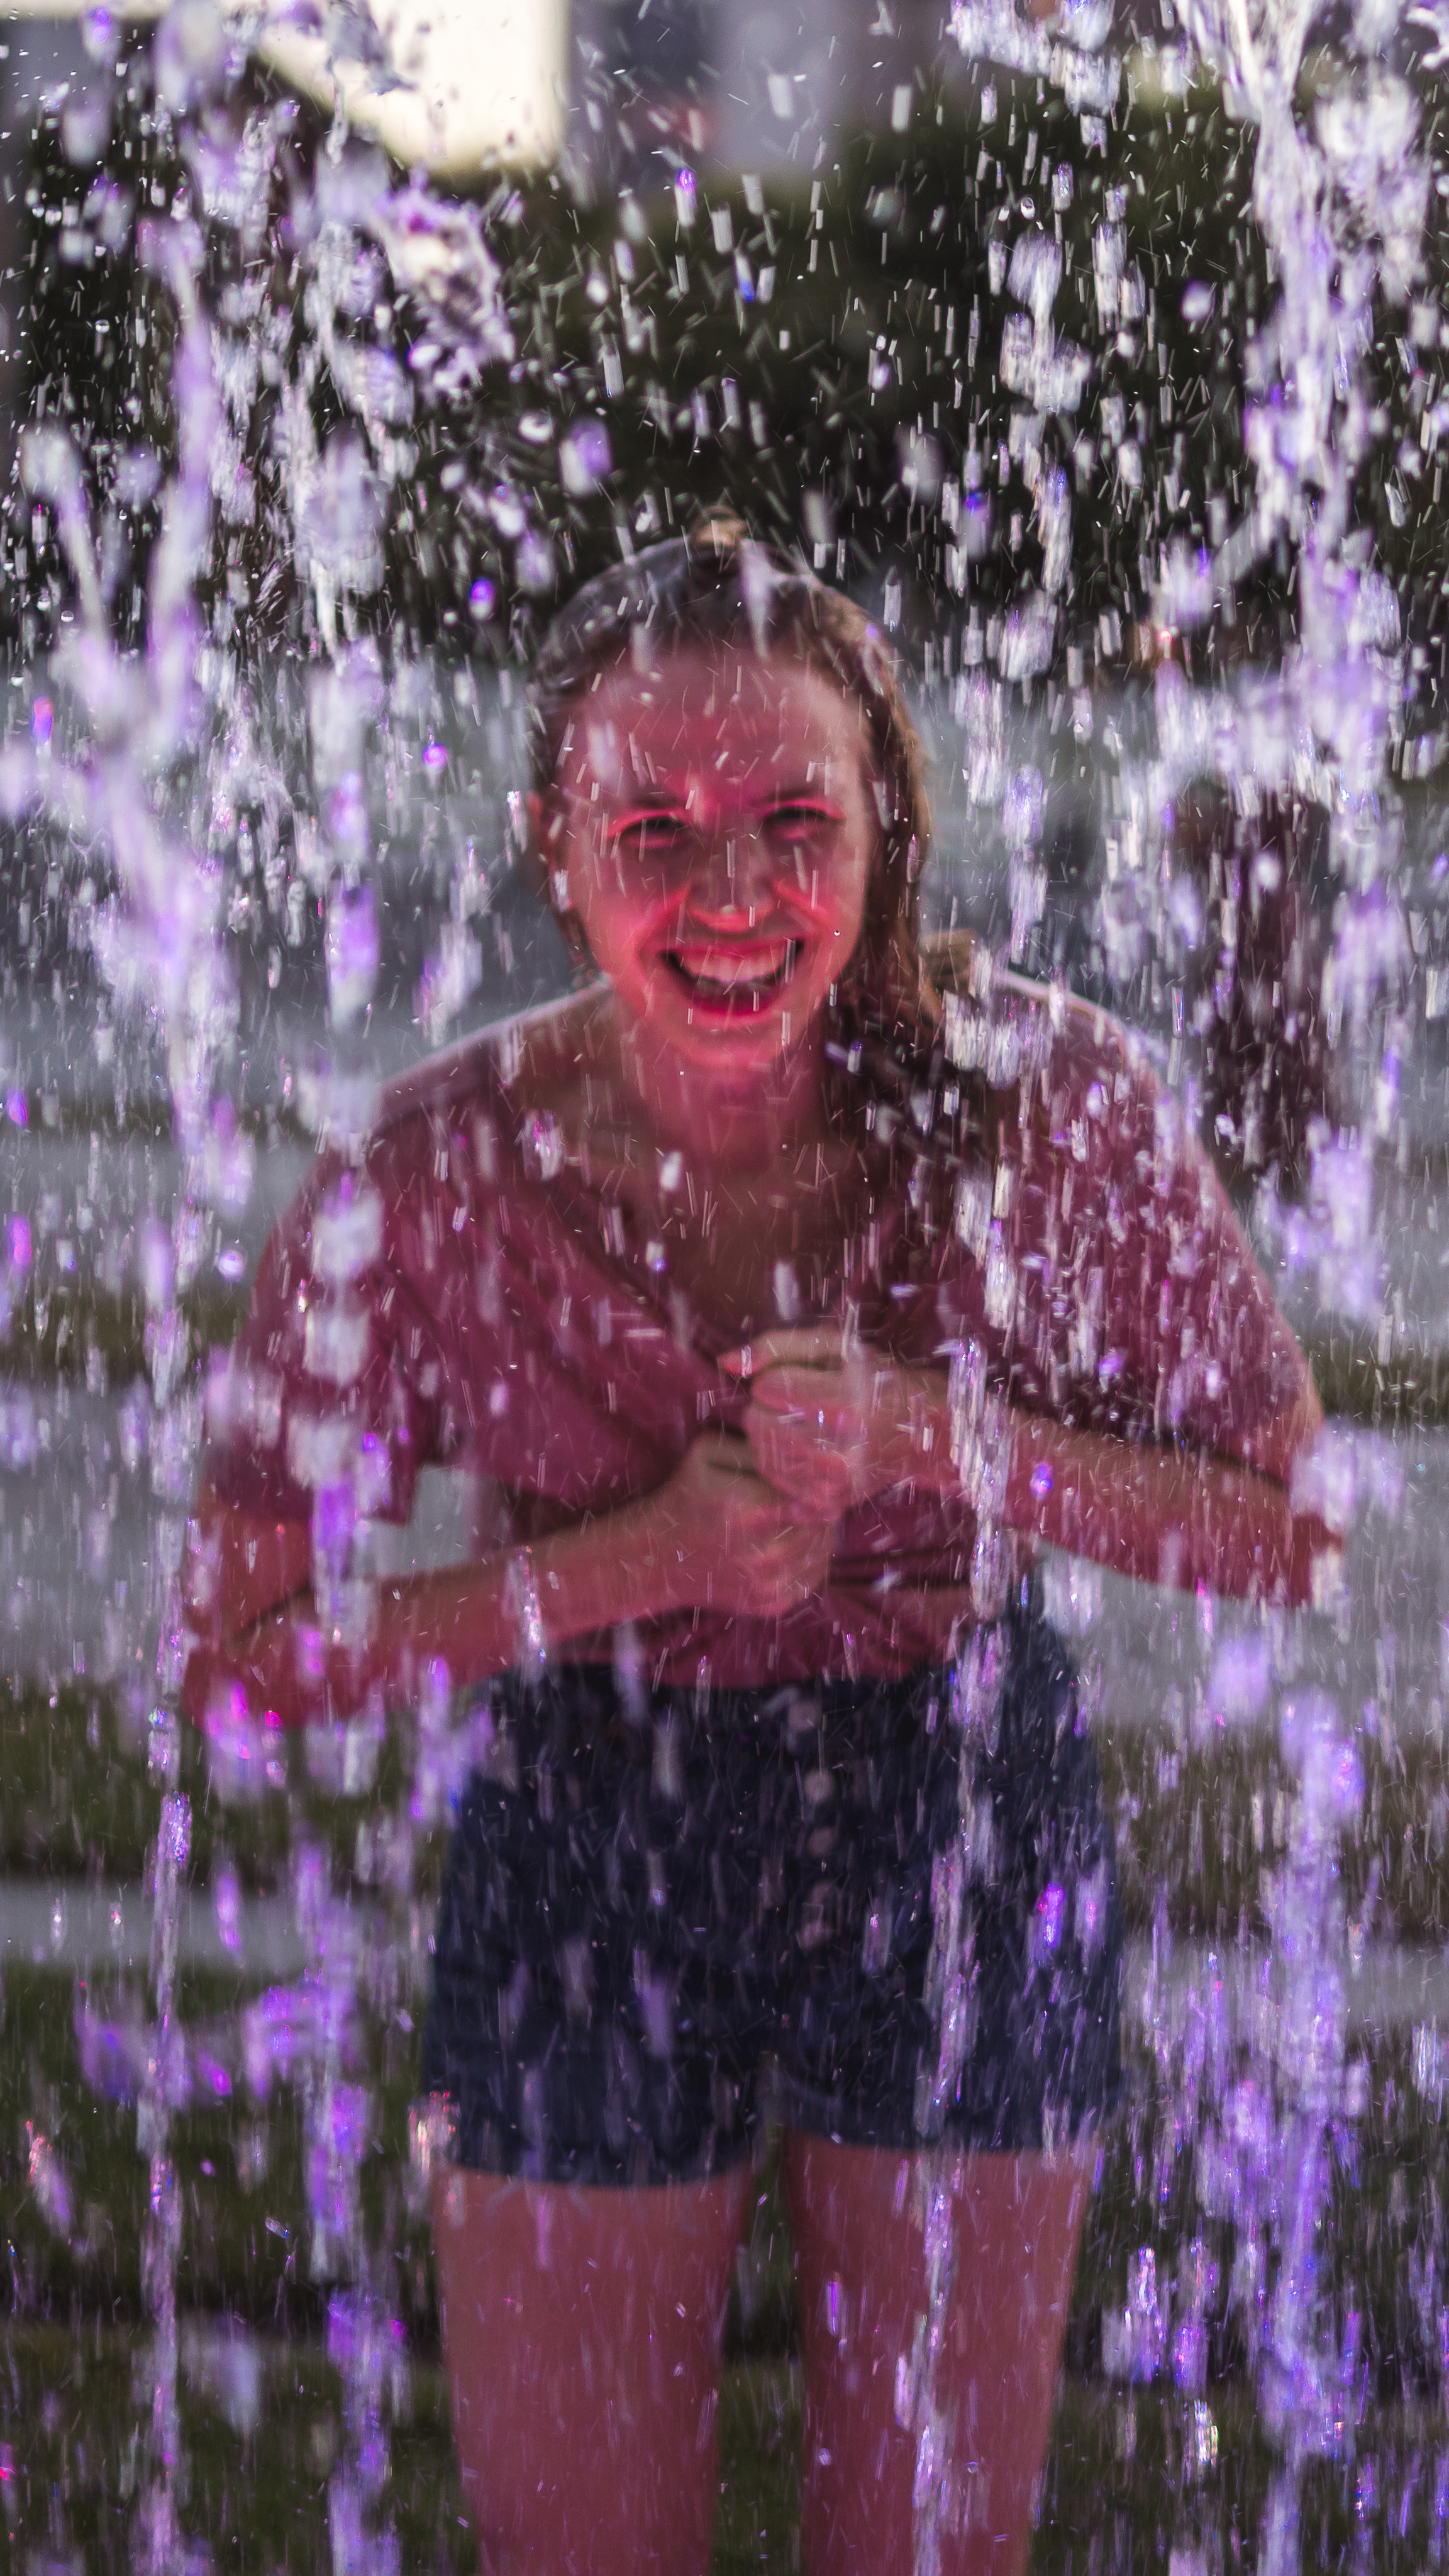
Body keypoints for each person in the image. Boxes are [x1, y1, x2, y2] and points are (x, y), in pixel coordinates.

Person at [183, 516, 1331, 2575]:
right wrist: (639, 1558)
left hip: (962, 1803)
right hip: (588, 1814)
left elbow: (1292, 1523)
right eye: (656, 831)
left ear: (887, 822)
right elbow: (237, 1652)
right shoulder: (429, 1177)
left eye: (796, 818)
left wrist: (937, 1437)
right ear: (556, 839)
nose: (733, 893)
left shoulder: (1049, 1105)